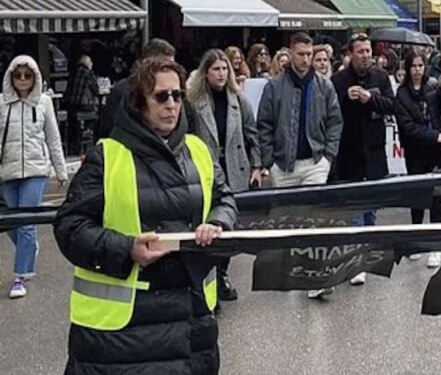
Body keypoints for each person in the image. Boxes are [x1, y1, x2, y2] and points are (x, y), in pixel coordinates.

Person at [54, 57, 236, 374]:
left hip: (191, 321)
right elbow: (70, 227)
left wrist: (218, 223)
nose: (172, 104)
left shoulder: (198, 150)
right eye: (161, 96)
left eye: (177, 95)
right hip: (121, 334)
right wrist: (126, 249)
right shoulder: (107, 155)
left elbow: (224, 200)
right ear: (139, 102)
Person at [257, 32, 342, 298]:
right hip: (284, 164)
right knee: (289, 221)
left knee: (313, 219)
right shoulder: (274, 86)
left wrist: (328, 156)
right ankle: (292, 271)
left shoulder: (324, 85)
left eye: (309, 54)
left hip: (315, 161)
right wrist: (269, 161)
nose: (305, 59)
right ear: (291, 53)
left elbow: (335, 121)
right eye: (301, 54)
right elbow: (264, 125)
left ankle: (315, 279)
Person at [185, 49, 260, 303]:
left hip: (234, 168)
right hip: (205, 168)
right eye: (216, 69)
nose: (221, 74)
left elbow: (251, 134)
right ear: (205, 72)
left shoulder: (239, 101)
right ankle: (208, 275)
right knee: (206, 222)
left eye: (225, 69)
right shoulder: (194, 102)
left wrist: (257, 166)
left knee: (227, 224)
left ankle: (222, 274)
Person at [332, 33, 396, 283]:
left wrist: (371, 99)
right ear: (351, 54)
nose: (365, 55)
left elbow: (391, 106)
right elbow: (331, 111)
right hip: (349, 152)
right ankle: (357, 258)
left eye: (368, 51)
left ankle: (367, 249)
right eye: (360, 51)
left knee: (371, 210)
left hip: (374, 152)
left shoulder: (380, 77)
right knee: (355, 209)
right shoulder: (339, 79)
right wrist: (346, 99)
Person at [1, 55, 68, 298]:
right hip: (8, 170)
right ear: (10, 77)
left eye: (27, 75)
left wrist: (61, 170)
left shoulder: (44, 102)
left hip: (36, 169)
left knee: (26, 222)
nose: (22, 80)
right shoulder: (1, 103)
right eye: (17, 75)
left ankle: (21, 276)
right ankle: (29, 248)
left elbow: (53, 137)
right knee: (11, 222)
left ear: (35, 77)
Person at [394, 52, 441, 267]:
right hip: (415, 151)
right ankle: (416, 240)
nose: (417, 69)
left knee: (436, 197)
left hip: (434, 151)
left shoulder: (433, 87)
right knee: (417, 196)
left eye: (420, 65)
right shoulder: (401, 94)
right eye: (413, 66)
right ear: (407, 68)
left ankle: (435, 245)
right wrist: (434, 136)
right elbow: (407, 127)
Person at [96, 39, 176, 139]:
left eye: (172, 67)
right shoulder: (123, 90)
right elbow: (107, 129)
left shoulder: (176, 93)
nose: (171, 105)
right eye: (164, 67)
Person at [66, 54, 101, 155]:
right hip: (84, 106)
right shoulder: (88, 73)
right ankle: (88, 133)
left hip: (71, 106)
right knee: (97, 115)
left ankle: (74, 144)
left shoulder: (72, 72)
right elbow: (96, 89)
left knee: (74, 122)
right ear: (87, 63)